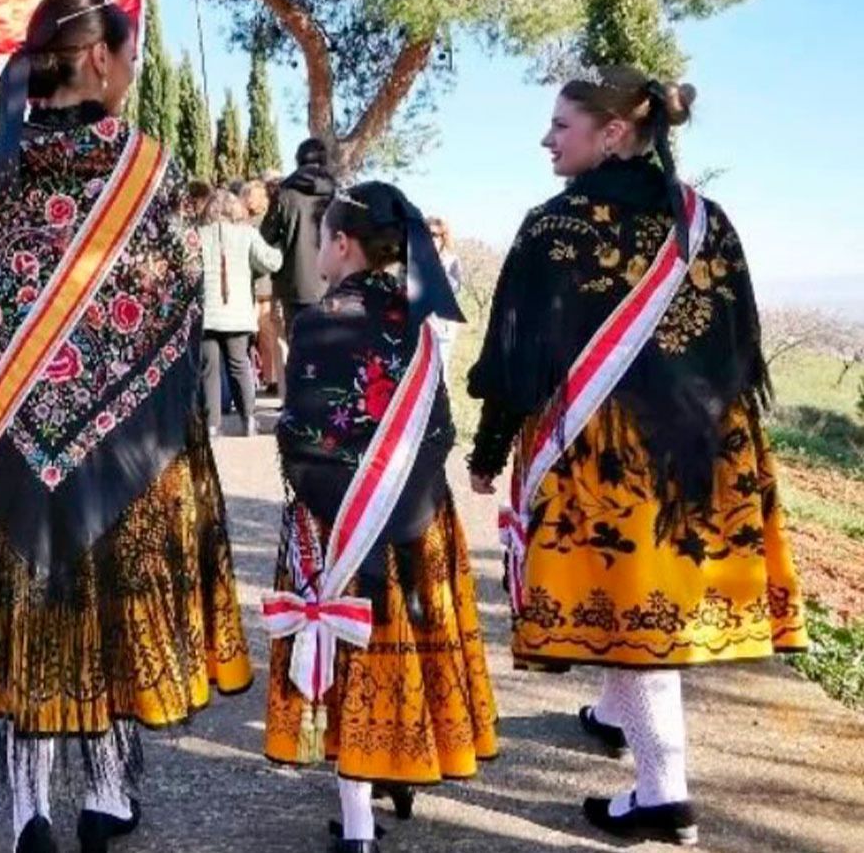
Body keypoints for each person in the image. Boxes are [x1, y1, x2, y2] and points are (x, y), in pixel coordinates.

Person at [0, 0, 252, 853]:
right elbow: (176, 304)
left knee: (33, 613)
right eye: (131, 59)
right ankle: (107, 796)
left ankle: (26, 812)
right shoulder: (147, 167)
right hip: (127, 444)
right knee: (112, 608)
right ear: (103, 61)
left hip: (13, 439)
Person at [466, 65, 808, 846]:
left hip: (604, 453)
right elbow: (739, 341)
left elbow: (517, 361)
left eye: (560, 125)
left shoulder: (553, 226)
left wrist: (489, 452)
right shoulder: (705, 218)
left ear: (611, 133)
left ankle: (663, 795)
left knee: (635, 614)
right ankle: (614, 714)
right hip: (705, 443)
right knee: (643, 601)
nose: (546, 139)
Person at [264, 182, 496, 853]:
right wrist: (409, 499)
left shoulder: (315, 320)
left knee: (349, 661)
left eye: (321, 241)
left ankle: (358, 828)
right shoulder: (417, 321)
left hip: (338, 520)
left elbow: (302, 434)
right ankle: (404, 770)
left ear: (341, 244)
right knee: (406, 650)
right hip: (419, 517)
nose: (318, 252)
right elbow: (441, 429)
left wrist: (332, 511)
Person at [198, 187, 282, 436]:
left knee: (209, 370)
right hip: (237, 314)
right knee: (239, 365)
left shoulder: (198, 234)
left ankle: (212, 426)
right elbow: (271, 261)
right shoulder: (248, 234)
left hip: (207, 314)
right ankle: (248, 420)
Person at [262, 138, 336, 332]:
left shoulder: (285, 195)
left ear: (298, 160)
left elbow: (266, 236)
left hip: (294, 285)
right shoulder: (337, 195)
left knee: (298, 351)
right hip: (331, 284)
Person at [238, 178, 281, 393]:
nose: (245, 198)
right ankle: (261, 377)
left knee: (265, 334)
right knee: (256, 334)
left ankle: (271, 377)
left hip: (262, 286)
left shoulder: (264, 222)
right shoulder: (244, 222)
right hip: (252, 285)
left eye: (248, 194)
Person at [425, 216, 464, 364]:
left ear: (443, 237)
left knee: (441, 373)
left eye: (434, 235)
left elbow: (452, 290)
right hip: (416, 328)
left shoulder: (452, 261)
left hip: (441, 329)